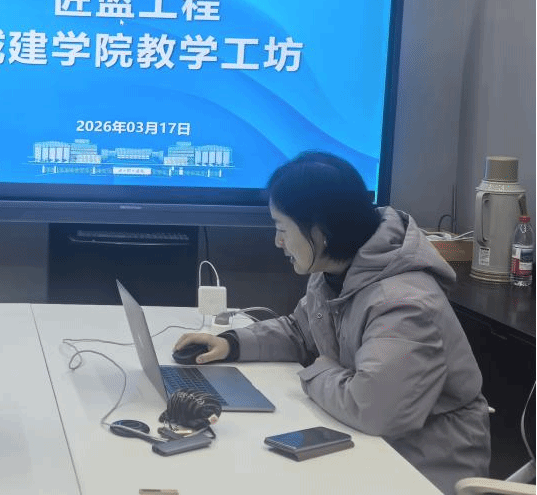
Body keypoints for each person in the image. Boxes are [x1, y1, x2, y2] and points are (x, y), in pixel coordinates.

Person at [173, 151, 490, 494]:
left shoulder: (405, 303)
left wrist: (317, 370)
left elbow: (372, 408)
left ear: (320, 231)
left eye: (282, 228)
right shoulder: (335, 272)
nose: (277, 241)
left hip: (422, 468)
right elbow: (301, 331)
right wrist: (232, 343)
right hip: (370, 446)